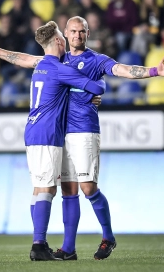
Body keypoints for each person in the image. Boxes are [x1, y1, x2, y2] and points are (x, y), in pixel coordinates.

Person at [0, 16, 164, 260]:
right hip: (60, 133)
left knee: (88, 187)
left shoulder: (97, 60)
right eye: (73, 31)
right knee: (68, 190)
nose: (77, 35)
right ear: (65, 35)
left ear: (87, 34)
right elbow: (27, 59)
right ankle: (68, 249)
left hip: (84, 129)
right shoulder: (58, 59)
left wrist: (155, 71)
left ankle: (108, 236)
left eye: (82, 31)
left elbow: (123, 70)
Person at [21, 21, 107, 261]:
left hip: (33, 131)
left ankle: (44, 243)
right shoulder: (59, 68)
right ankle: (39, 244)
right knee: (47, 188)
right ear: (60, 40)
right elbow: (93, 85)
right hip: (48, 133)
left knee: (39, 188)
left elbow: (23, 59)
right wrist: (100, 87)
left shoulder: (40, 66)